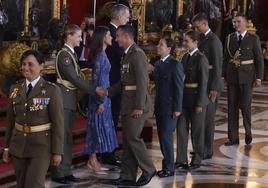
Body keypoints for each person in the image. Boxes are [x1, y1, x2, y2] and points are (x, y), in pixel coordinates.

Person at [51, 24, 106, 184]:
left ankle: (66, 171)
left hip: (69, 100)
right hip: (63, 101)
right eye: (79, 36)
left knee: (67, 137)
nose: (81, 39)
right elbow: (74, 79)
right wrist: (94, 89)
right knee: (61, 137)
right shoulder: (64, 55)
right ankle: (58, 173)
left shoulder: (71, 54)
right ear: (69, 36)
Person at [2, 50, 64, 188]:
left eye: (30, 64)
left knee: (34, 184)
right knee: (22, 184)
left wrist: (57, 151)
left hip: (41, 147)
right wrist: (7, 147)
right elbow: (10, 121)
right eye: (23, 64)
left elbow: (58, 123)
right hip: (18, 145)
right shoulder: (15, 89)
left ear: (41, 66)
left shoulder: (52, 90)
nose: (26, 68)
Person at [108, 25, 156, 186]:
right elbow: (124, 83)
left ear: (127, 36)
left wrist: (139, 107)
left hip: (136, 105)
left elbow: (143, 83)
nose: (116, 39)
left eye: (118, 36)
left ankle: (149, 169)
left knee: (133, 138)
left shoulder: (137, 55)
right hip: (128, 103)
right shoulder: (127, 55)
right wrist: (107, 92)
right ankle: (128, 175)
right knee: (128, 141)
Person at [223, 14, 264, 146]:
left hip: (247, 77)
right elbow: (225, 59)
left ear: (245, 23)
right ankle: (233, 138)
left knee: (245, 107)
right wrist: (223, 75)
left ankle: (248, 132)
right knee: (232, 108)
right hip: (232, 77)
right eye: (234, 22)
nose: (236, 24)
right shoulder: (229, 38)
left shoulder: (253, 38)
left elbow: (259, 60)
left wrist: (258, 77)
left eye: (239, 22)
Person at [84, 26, 118, 173]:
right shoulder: (99, 56)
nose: (112, 37)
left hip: (104, 97)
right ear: (103, 37)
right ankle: (92, 159)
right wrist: (100, 101)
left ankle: (94, 159)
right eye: (109, 35)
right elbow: (97, 81)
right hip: (99, 99)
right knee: (95, 128)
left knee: (99, 128)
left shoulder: (102, 54)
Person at [176, 30, 209, 170]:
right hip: (184, 100)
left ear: (195, 42)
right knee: (181, 130)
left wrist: (200, 103)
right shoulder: (184, 57)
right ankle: (181, 159)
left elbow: (203, 82)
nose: (184, 43)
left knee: (197, 131)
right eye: (184, 41)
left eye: (187, 41)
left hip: (196, 100)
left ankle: (196, 159)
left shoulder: (201, 58)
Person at [192, 12, 223, 159]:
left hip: (210, 84)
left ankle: (207, 149)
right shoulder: (201, 38)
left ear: (204, 24)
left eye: (197, 27)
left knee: (208, 119)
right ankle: (200, 147)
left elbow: (218, 66)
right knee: (200, 118)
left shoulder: (214, 40)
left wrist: (214, 88)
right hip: (202, 83)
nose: (196, 30)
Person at [152, 37, 184, 177]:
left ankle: (170, 168)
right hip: (160, 107)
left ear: (169, 49)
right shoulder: (158, 64)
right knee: (162, 137)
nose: (158, 46)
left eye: (161, 45)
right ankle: (166, 166)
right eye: (159, 44)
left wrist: (177, 108)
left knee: (166, 138)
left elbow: (178, 88)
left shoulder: (175, 64)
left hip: (170, 108)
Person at [104, 3, 130, 166]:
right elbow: (119, 53)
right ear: (119, 17)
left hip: (115, 80)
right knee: (111, 118)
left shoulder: (115, 31)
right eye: (127, 17)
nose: (128, 19)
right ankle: (108, 154)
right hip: (112, 80)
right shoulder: (110, 33)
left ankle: (109, 152)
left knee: (114, 117)